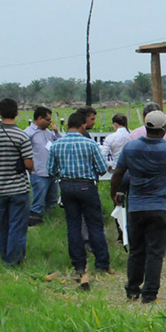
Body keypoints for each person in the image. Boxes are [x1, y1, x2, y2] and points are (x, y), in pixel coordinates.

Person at [110, 112, 166, 303]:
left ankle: (132, 289)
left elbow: (118, 173)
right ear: (164, 129)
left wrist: (114, 193)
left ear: (146, 127)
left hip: (136, 207)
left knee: (136, 250)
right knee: (155, 253)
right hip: (159, 207)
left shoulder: (131, 147)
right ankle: (149, 294)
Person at [47, 111, 114, 290]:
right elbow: (101, 168)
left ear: (68, 126)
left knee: (73, 225)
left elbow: (50, 170)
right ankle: (102, 263)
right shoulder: (90, 143)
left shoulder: (56, 145)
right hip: (87, 186)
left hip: (67, 187)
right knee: (94, 225)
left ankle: (78, 264)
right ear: (83, 126)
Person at [0, 98, 34, 265]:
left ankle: (4, 256)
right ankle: (14, 261)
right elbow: (29, 164)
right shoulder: (21, 135)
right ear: (17, 113)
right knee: (17, 225)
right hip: (18, 188)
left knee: (2, 226)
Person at [24, 106, 62, 226]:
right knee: (38, 201)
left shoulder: (49, 133)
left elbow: (60, 143)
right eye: (48, 120)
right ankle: (35, 221)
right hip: (39, 172)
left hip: (51, 172)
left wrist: (57, 132)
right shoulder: (28, 133)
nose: (50, 122)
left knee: (52, 201)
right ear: (40, 118)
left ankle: (50, 221)